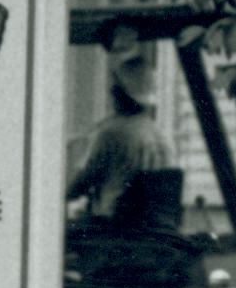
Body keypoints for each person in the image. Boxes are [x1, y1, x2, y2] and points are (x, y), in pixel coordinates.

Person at [65, 25, 172, 230]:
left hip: (114, 228)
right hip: (156, 232)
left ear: (121, 93)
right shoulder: (160, 134)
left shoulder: (111, 134)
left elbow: (77, 187)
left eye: (114, 89)